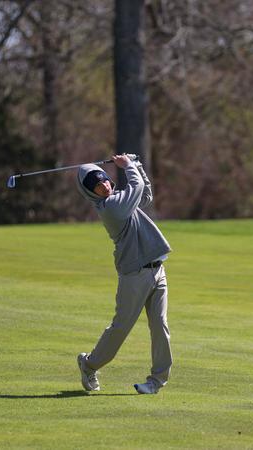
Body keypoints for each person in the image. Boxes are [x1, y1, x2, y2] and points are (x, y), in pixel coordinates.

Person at [75, 154, 173, 395]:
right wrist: (128, 165)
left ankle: (156, 381)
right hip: (134, 275)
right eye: (97, 186)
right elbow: (136, 187)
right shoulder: (110, 208)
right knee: (121, 328)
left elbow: (145, 194)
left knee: (160, 326)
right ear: (90, 193)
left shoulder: (120, 199)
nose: (104, 186)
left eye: (104, 180)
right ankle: (89, 365)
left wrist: (137, 165)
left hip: (157, 269)